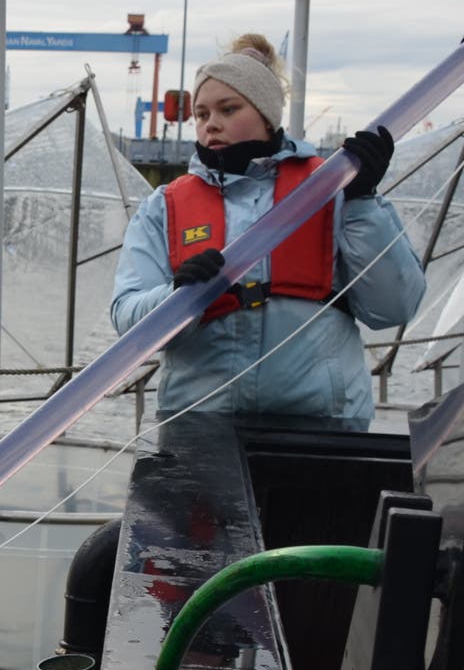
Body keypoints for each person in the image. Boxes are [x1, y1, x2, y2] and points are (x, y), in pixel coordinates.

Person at [112, 35, 427, 429]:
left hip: (324, 426)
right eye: (203, 113)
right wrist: (177, 296)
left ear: (266, 114)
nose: (212, 123)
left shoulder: (334, 190)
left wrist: (363, 202)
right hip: (200, 423)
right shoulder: (164, 207)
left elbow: (394, 308)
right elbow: (128, 321)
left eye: (229, 109)